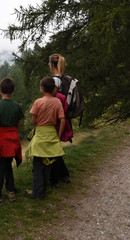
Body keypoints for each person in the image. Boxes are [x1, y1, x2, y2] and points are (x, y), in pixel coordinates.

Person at [24, 77, 65, 200]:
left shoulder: (38, 102)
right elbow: (62, 120)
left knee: (37, 164)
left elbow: (33, 121)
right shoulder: (57, 102)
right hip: (52, 134)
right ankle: (45, 185)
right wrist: (58, 136)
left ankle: (37, 192)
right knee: (48, 162)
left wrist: (36, 120)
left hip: (41, 135)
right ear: (53, 88)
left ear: (42, 89)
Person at [0, 77, 24, 205]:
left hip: (0, 140)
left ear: (0, 89)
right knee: (7, 165)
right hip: (13, 140)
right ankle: (10, 191)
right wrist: (12, 134)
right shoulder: (17, 106)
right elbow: (18, 125)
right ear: (12, 90)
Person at [48, 54, 72, 186]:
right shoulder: (62, 79)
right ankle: (65, 175)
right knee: (55, 148)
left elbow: (51, 101)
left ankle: (54, 179)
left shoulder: (54, 81)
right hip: (62, 116)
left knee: (53, 149)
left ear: (52, 64)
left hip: (56, 119)